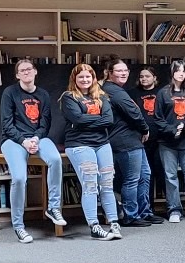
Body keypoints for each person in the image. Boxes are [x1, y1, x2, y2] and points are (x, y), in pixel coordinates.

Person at [0, 58, 63, 244]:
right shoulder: (10, 93)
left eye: (29, 69)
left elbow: (45, 123)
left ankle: (53, 207)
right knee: (19, 178)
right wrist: (23, 141)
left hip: (38, 138)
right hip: (13, 140)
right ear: (17, 75)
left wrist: (35, 139)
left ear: (35, 72)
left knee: (56, 159)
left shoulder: (42, 94)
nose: (26, 72)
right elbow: (7, 124)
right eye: (22, 70)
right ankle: (19, 226)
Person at [60, 64, 122, 241]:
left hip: (102, 144)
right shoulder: (68, 97)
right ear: (74, 79)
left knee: (107, 184)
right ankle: (94, 225)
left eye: (88, 77)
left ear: (93, 78)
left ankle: (113, 222)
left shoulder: (102, 96)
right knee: (90, 184)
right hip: (79, 145)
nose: (85, 80)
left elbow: (109, 119)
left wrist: (87, 121)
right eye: (81, 77)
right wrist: (97, 120)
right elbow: (77, 119)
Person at [104, 58, 163, 226]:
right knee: (132, 179)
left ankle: (145, 212)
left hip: (133, 140)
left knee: (145, 175)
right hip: (124, 141)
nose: (123, 73)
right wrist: (145, 129)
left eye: (125, 71)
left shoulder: (117, 90)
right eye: (119, 71)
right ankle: (131, 215)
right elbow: (133, 113)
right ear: (110, 73)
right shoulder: (114, 91)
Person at [154, 60, 185, 222]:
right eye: (178, 71)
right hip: (167, 142)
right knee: (170, 176)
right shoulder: (163, 93)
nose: (181, 74)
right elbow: (158, 118)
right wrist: (172, 129)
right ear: (172, 73)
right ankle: (174, 209)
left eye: (184, 71)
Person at [130, 67, 165, 211]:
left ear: (154, 78)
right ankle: (147, 208)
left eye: (147, 76)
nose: (144, 79)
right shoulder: (132, 93)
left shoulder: (162, 92)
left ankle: (171, 207)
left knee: (162, 173)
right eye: (141, 76)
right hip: (142, 139)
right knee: (145, 175)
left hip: (161, 139)